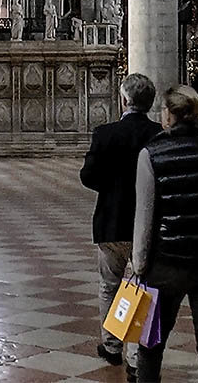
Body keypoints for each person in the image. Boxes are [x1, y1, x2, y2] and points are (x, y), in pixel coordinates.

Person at [132, 86, 198, 383]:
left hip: (167, 264)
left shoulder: (150, 154)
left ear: (168, 115)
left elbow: (145, 216)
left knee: (151, 344)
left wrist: (138, 265)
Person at [80, 73, 161, 377]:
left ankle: (112, 345)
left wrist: (112, 186)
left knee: (109, 285)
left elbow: (88, 176)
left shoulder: (106, 133)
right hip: (149, 222)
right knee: (144, 288)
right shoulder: (159, 134)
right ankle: (138, 357)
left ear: (124, 100)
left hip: (112, 220)